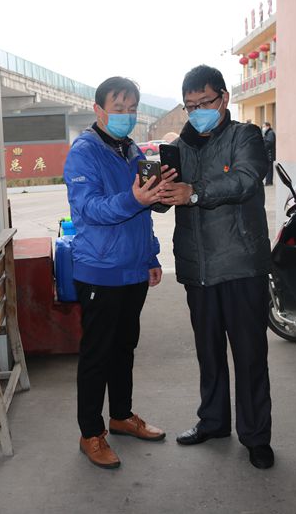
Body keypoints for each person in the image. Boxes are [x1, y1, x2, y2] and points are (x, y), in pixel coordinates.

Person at [158, 65, 274, 470]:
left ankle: (256, 437)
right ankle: (213, 421)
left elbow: (245, 180)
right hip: (197, 267)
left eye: (204, 103)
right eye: (189, 106)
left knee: (250, 355)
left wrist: (194, 192)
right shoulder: (180, 146)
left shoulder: (246, 136)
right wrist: (156, 191)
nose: (197, 112)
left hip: (241, 264)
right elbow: (168, 198)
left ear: (223, 98)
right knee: (208, 353)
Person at [64, 76, 175, 469]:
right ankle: (91, 433)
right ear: (99, 110)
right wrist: (134, 197)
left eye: (132, 109)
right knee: (97, 354)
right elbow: (89, 209)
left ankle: (122, 416)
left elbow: (145, 210)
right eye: (118, 108)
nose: (126, 116)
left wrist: (151, 256)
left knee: (124, 347)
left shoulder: (132, 149)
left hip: (132, 269)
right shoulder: (84, 152)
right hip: (100, 270)